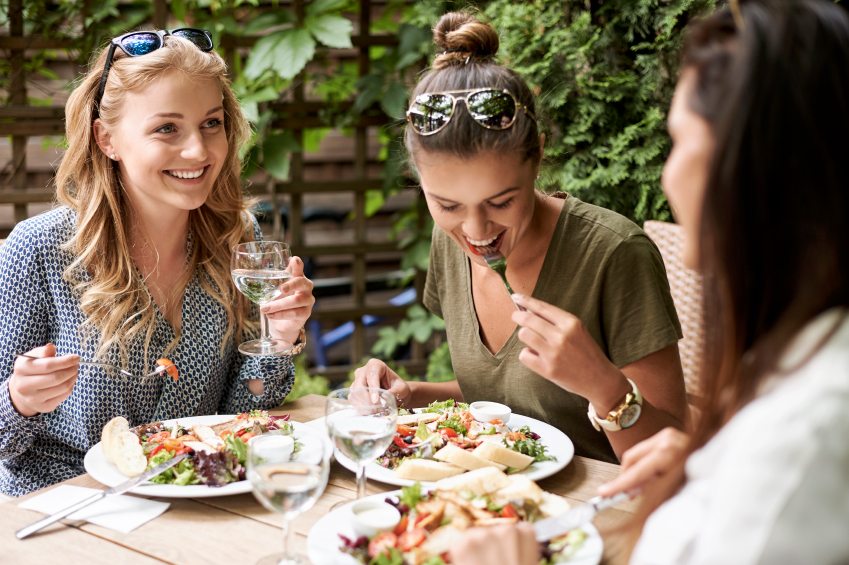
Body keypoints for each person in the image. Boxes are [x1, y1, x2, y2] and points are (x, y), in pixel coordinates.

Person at [450, 1, 849, 563]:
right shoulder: (799, 368)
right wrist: (703, 469)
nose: (668, 171)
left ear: (755, 168)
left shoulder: (802, 438)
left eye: (681, 139)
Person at [353, 12, 688, 462]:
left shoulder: (615, 253)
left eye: (501, 201)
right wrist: (411, 394)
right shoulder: (447, 243)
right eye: (448, 205)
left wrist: (602, 385)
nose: (476, 232)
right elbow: (507, 399)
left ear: (538, 157)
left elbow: (676, 459)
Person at [0, 29, 315, 496]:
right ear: (106, 138)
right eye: (167, 128)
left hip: (192, 502)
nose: (198, 151)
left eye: (211, 123)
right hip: (67, 508)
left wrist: (280, 338)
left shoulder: (237, 240)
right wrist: (18, 401)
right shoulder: (40, 250)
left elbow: (237, 416)